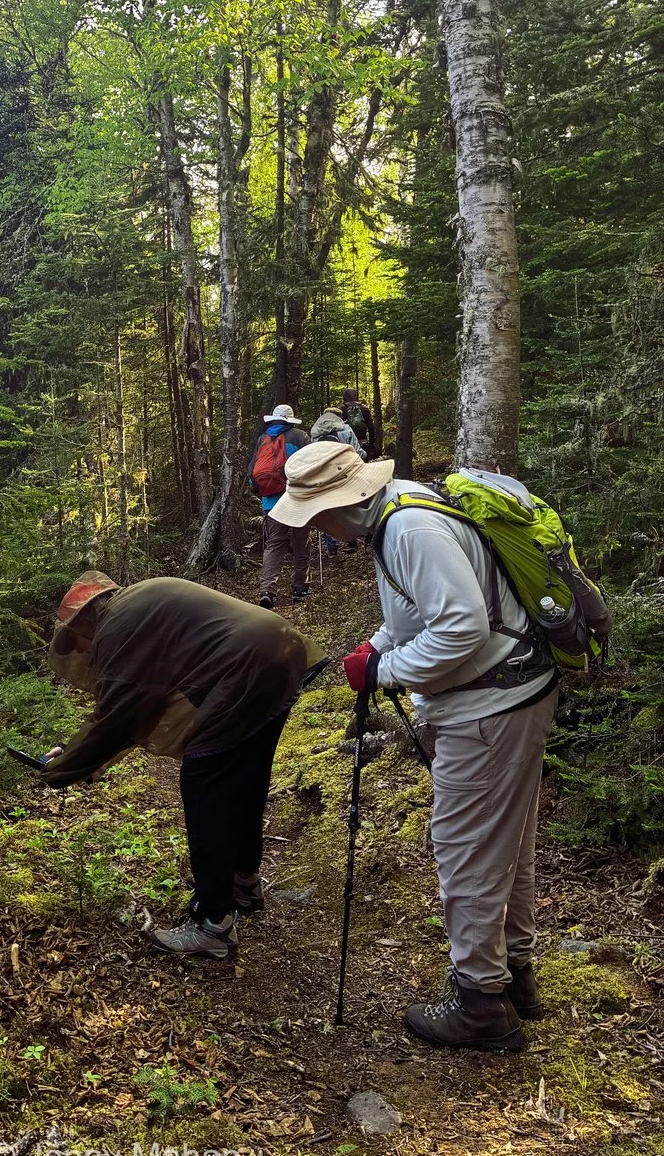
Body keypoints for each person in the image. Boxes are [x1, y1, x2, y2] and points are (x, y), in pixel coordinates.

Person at [270, 445, 559, 1052]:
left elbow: (461, 629)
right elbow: (417, 616)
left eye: (315, 513)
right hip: (512, 696)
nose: (315, 525)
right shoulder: (398, 513)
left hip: (489, 707)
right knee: (509, 841)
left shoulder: (410, 528)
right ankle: (517, 978)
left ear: (341, 502)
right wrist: (376, 649)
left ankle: (481, 1002)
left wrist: (383, 672)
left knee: (466, 848)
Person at [43, 572, 323, 960]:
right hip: (280, 651)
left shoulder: (118, 627)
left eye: (79, 641)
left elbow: (117, 716)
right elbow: (139, 713)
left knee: (204, 783)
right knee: (245, 776)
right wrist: (76, 756)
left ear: (87, 619)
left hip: (246, 666)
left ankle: (214, 924)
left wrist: (64, 768)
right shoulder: (140, 603)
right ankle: (243, 881)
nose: (84, 650)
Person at [247, 403, 311, 609]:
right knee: (301, 540)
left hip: (271, 501)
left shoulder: (262, 439)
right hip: (298, 497)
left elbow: (251, 475)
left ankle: (267, 590)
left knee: (274, 543)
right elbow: (310, 466)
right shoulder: (301, 437)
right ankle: (300, 587)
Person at [310, 403, 366, 555]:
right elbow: (358, 453)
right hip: (344, 475)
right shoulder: (346, 430)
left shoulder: (315, 434)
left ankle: (331, 547)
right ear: (340, 416)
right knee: (347, 504)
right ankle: (351, 541)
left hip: (323, 477)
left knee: (326, 508)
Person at [341, 386, 378, 460]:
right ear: (356, 396)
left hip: (346, 445)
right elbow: (371, 428)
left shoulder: (341, 409)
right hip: (362, 443)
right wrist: (371, 446)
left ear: (345, 397)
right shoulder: (364, 408)